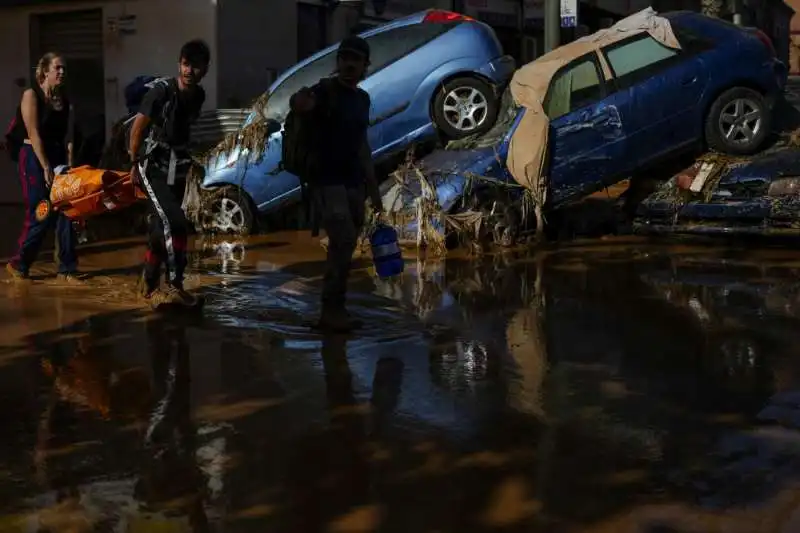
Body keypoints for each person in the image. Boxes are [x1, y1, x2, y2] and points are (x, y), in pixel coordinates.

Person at [289, 35, 383, 332]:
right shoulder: (324, 90)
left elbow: (362, 146)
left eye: (355, 59)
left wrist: (374, 190)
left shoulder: (362, 99)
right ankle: (330, 310)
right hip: (326, 181)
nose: (349, 64)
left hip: (353, 180)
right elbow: (300, 104)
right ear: (338, 62)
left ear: (365, 65)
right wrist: (300, 101)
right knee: (342, 238)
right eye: (344, 58)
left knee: (347, 244)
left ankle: (336, 308)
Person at [128, 40, 210, 310]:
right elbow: (138, 128)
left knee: (158, 230)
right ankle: (176, 285)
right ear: (179, 64)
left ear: (204, 70)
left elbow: (186, 130)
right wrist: (134, 162)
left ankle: (148, 286)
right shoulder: (162, 92)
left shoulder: (198, 96)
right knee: (175, 222)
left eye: (195, 66)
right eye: (186, 64)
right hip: (152, 166)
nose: (189, 71)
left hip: (178, 168)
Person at [5, 52, 81, 283]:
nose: (61, 72)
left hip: (57, 156)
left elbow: (68, 138)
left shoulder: (66, 102)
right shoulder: (31, 95)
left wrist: (69, 167)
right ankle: (20, 264)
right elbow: (34, 133)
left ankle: (67, 269)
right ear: (44, 71)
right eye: (57, 68)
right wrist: (46, 166)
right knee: (42, 210)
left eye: (64, 69)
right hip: (33, 155)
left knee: (67, 208)